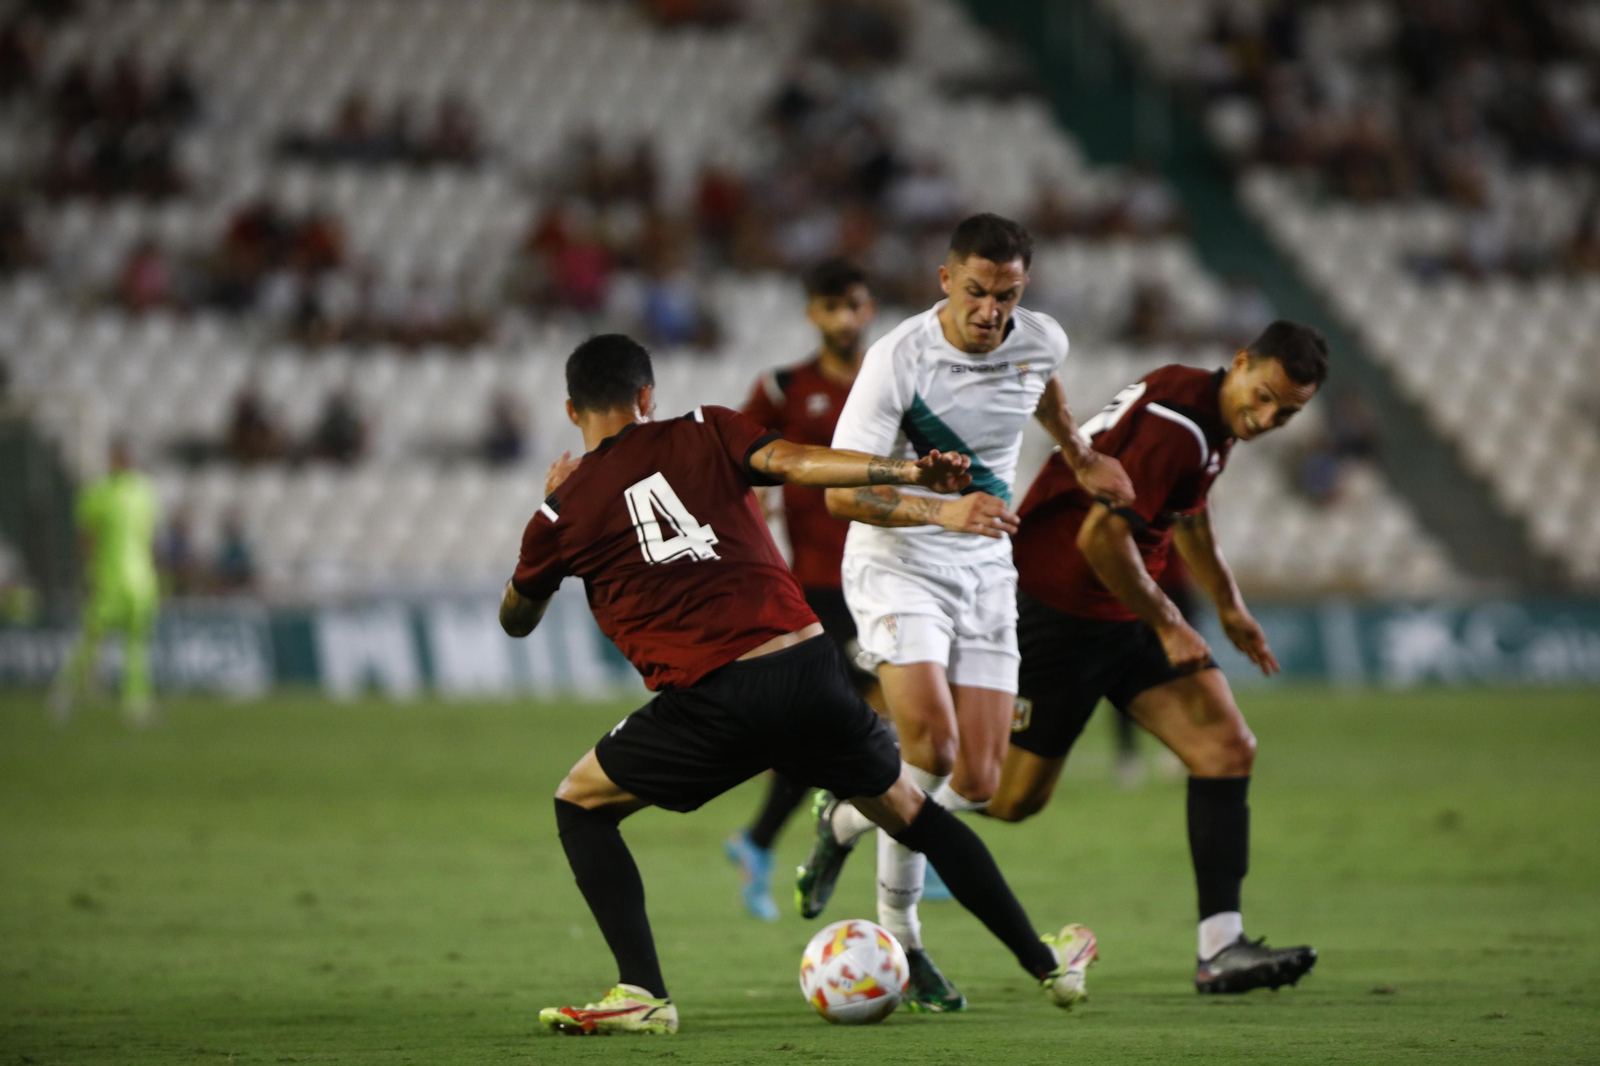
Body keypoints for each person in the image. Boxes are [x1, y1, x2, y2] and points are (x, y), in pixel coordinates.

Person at [499, 334, 1098, 1035]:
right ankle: (1047, 967)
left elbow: (517, 617)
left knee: (581, 804)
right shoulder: (705, 427)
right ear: (646, 397)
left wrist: (552, 508)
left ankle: (644, 993)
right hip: (808, 666)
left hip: (712, 698)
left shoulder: (561, 513)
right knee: (915, 813)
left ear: (572, 411)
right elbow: (792, 462)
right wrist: (904, 468)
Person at [795, 213, 1134, 1011]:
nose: (991, 311)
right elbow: (842, 491)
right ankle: (905, 944)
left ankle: (845, 821)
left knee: (979, 780)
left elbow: (1040, 385)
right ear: (945, 281)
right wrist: (942, 513)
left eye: (1007, 295)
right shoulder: (897, 360)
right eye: (976, 292)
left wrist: (1080, 454)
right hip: (899, 563)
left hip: (985, 566)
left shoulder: (1039, 338)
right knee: (934, 751)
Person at [986, 320, 1326, 995]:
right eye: (1261, 397)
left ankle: (1220, 949)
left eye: (1286, 413)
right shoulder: (1179, 427)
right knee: (1011, 799)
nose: (1265, 418)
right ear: (1238, 363)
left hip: (1121, 611)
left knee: (1227, 748)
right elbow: (1099, 539)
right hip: (1059, 611)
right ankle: (871, 797)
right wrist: (1171, 622)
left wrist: (1228, 606)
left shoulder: (1204, 405)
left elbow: (1188, 515)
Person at [721, 257, 888, 921]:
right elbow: (734, 465)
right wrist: (759, 547)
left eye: (855, 304)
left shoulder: (891, 378)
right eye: (832, 307)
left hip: (887, 572)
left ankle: (759, 841)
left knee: (838, 724)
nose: (846, 318)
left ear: (869, 307)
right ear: (811, 315)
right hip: (820, 584)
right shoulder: (784, 387)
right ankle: (905, 844)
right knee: (875, 714)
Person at [50, 438, 161, 726]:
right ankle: (64, 691)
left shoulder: (143, 491)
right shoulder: (97, 493)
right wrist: (90, 573)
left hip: (142, 580)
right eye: (119, 455)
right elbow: (86, 538)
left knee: (137, 644)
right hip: (108, 579)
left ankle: (135, 704)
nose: (123, 460)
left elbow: (149, 538)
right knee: (92, 638)